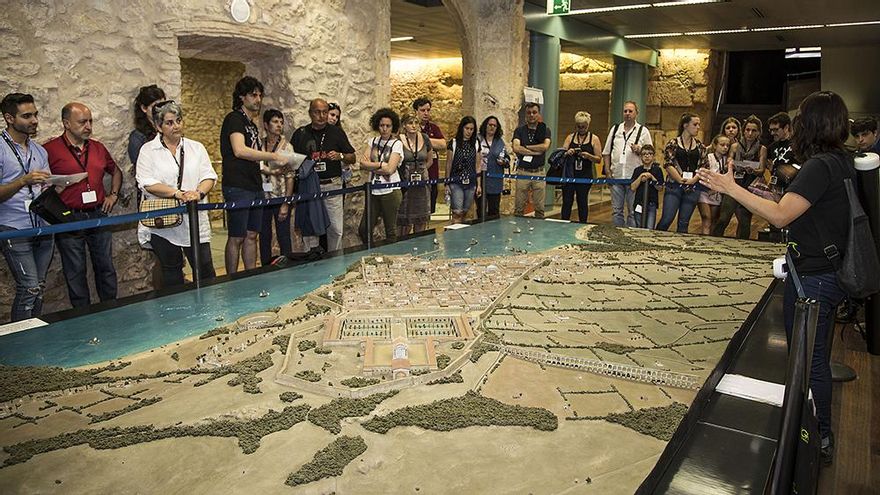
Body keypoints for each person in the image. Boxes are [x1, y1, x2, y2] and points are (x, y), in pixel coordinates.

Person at [698, 90, 852, 465]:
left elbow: (782, 215)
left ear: (810, 123)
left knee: (809, 359)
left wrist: (730, 188)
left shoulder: (819, 167)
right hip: (827, 273)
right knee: (812, 355)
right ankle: (809, 428)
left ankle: (817, 435)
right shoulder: (842, 161)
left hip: (814, 278)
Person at [44, 102, 121, 308]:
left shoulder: (98, 147)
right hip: (69, 217)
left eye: (90, 121)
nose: (88, 126)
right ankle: (82, 316)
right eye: (82, 122)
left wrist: (113, 195)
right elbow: (41, 184)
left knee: (105, 266)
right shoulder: (49, 150)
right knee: (75, 270)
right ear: (66, 123)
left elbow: (116, 171)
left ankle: (111, 309)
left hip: (98, 213)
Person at [135, 100, 217, 287]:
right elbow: (146, 182)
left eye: (178, 120)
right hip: (164, 221)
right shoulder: (148, 151)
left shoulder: (196, 148)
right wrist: (177, 194)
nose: (176, 126)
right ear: (158, 126)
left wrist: (198, 193)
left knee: (205, 269)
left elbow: (209, 176)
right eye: (169, 123)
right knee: (171, 271)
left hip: (194, 220)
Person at [220, 76, 290, 274]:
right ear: (242, 97)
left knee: (252, 235)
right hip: (238, 185)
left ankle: (251, 276)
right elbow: (239, 150)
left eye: (260, 95)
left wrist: (270, 170)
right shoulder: (234, 119)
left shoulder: (251, 124)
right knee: (237, 236)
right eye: (253, 95)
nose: (258, 99)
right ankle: (232, 279)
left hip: (254, 185)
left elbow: (253, 159)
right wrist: (273, 155)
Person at [0, 93, 53, 322]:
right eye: (27, 116)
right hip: (14, 226)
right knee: (29, 287)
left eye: (35, 114)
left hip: (42, 224)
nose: (34, 120)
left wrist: (58, 184)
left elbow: (46, 185)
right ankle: (21, 342)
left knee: (39, 286)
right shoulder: (1, 149)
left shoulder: (39, 151)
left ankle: (34, 334)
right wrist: (23, 181)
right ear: (9, 118)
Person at [290, 99, 356, 254]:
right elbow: (291, 161)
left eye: (325, 112)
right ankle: (309, 261)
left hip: (332, 185)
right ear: (310, 113)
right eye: (317, 112)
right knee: (310, 228)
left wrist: (340, 156)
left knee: (335, 229)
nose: (321, 116)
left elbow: (352, 157)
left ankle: (335, 262)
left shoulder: (336, 132)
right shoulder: (301, 134)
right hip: (309, 187)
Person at [712, 115, 766, 239]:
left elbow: (762, 169)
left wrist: (752, 169)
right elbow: (729, 162)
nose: (750, 133)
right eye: (747, 130)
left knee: (745, 221)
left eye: (754, 130)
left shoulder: (761, 149)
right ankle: (714, 241)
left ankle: (741, 246)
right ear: (743, 130)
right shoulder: (735, 146)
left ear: (758, 132)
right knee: (724, 218)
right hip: (734, 184)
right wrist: (735, 164)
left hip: (749, 186)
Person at [602, 101, 653, 227]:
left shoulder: (643, 131)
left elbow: (651, 153)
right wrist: (608, 171)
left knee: (633, 211)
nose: (627, 114)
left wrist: (640, 150)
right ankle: (618, 235)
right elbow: (606, 152)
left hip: (634, 178)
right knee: (616, 211)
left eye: (630, 111)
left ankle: (631, 235)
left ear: (636, 113)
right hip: (617, 176)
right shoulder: (615, 130)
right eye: (625, 111)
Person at [358, 108, 403, 243]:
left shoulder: (397, 143)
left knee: (390, 230)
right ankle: (371, 254)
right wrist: (380, 165)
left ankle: (392, 258)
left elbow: (390, 169)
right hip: (373, 189)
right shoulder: (372, 141)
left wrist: (372, 166)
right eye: (382, 125)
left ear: (392, 126)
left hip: (391, 190)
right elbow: (361, 164)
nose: (384, 129)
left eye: (388, 126)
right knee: (364, 229)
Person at [656, 113, 705, 233]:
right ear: (685, 125)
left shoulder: (700, 146)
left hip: (692, 187)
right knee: (667, 218)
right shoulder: (673, 143)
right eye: (695, 124)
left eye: (699, 124)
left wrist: (693, 180)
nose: (698, 127)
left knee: (684, 223)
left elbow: (704, 165)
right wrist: (679, 179)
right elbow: (668, 163)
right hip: (674, 185)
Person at [258, 109, 294, 265]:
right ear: (266, 125)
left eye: (281, 122)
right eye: (275, 121)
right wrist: (270, 170)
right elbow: (256, 165)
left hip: (280, 196)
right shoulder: (259, 144)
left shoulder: (287, 147)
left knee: (283, 235)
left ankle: (288, 266)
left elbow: (290, 176)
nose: (279, 125)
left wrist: (286, 203)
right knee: (263, 234)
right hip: (263, 197)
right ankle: (265, 266)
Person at [560, 111, 602, 223]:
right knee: (567, 201)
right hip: (570, 174)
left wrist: (588, 156)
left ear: (588, 126)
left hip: (585, 175)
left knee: (582, 201)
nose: (581, 129)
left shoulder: (594, 139)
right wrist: (568, 152)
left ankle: (582, 223)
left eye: (583, 127)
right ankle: (563, 223)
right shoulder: (570, 137)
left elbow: (598, 159)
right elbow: (561, 153)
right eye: (579, 127)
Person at [512, 102, 552, 219]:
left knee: (539, 207)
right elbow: (516, 148)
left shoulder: (544, 129)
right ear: (525, 115)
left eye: (534, 112)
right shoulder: (519, 130)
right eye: (529, 113)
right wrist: (536, 151)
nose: (531, 115)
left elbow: (545, 147)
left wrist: (527, 147)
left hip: (539, 172)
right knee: (519, 206)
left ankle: (538, 234)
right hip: (523, 172)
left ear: (538, 114)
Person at [397, 114, 432, 237]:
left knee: (421, 216)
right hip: (406, 182)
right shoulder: (398, 139)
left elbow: (430, 160)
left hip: (422, 182)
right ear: (404, 125)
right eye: (410, 123)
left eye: (416, 123)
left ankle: (420, 243)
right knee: (404, 218)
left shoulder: (425, 138)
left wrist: (421, 172)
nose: (413, 125)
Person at [413, 97, 446, 214]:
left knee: (429, 209)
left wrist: (422, 140)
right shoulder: (411, 128)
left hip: (432, 173)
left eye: (428, 110)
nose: (426, 113)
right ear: (415, 111)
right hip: (415, 173)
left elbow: (442, 144)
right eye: (422, 110)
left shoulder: (433, 128)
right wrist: (432, 143)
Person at [446, 116, 479, 225]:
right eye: (467, 128)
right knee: (457, 212)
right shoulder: (454, 143)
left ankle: (461, 236)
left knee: (465, 212)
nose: (469, 131)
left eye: (471, 129)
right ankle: (454, 238)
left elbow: (478, 164)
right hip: (456, 182)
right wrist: (447, 183)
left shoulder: (475, 143)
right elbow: (449, 163)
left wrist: (478, 184)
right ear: (462, 128)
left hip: (471, 182)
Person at [477, 116, 509, 218]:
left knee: (494, 209)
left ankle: (494, 233)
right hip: (479, 178)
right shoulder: (478, 139)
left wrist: (503, 162)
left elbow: (507, 158)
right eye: (490, 125)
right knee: (480, 208)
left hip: (495, 180)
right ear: (485, 125)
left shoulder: (499, 142)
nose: (492, 127)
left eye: (494, 126)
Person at [697, 134, 729, 235]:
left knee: (714, 220)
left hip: (717, 193)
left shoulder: (727, 160)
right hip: (705, 191)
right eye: (722, 145)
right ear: (715, 145)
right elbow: (702, 173)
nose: (725, 147)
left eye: (727, 145)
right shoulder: (708, 157)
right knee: (706, 218)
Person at [127, 85, 166, 167]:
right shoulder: (137, 137)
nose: (160, 110)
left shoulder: (167, 129)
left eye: (163, 105)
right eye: (155, 106)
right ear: (144, 108)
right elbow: (141, 168)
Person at [629, 144, 664, 229]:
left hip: (651, 204)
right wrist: (640, 177)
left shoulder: (657, 170)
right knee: (638, 226)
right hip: (639, 203)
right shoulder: (637, 170)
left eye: (649, 153)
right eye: (644, 154)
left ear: (653, 156)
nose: (647, 156)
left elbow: (660, 187)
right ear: (640, 156)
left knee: (649, 227)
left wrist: (651, 177)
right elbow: (633, 187)